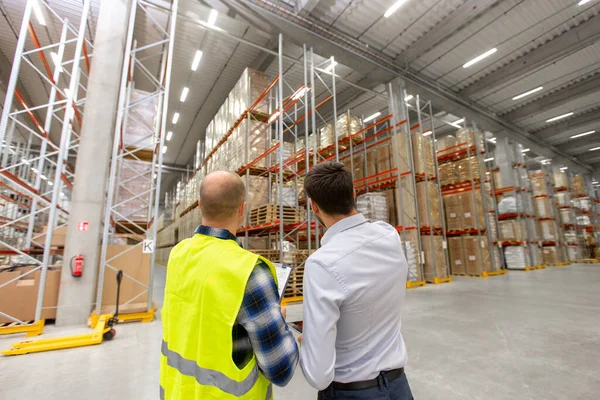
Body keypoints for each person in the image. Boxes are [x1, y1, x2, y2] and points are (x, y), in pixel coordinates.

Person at [160, 171, 298, 399]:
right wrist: (279, 320)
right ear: (243, 209)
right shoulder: (250, 272)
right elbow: (281, 369)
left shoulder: (178, 254)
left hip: (179, 392)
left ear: (200, 206)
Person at [299, 162, 413, 400]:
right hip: (399, 387)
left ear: (314, 206)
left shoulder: (321, 264)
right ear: (353, 194)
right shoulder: (389, 235)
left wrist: (307, 340)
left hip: (350, 392)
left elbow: (318, 374)